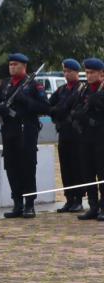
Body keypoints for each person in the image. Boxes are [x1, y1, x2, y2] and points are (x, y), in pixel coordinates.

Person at [0, 53, 49, 219]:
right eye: (10, 64)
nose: (12, 67)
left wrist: (26, 101)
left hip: (26, 131)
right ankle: (17, 203)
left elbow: (45, 107)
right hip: (9, 131)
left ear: (24, 67)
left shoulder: (33, 86)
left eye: (15, 64)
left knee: (27, 167)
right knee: (11, 167)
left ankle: (29, 204)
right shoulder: (5, 84)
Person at [48, 58, 85, 213]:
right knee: (65, 167)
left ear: (76, 72)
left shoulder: (81, 88)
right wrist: (57, 113)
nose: (66, 74)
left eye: (69, 71)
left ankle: (78, 199)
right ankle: (69, 198)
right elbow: (49, 106)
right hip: (63, 132)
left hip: (77, 134)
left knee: (77, 166)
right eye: (64, 71)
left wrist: (60, 110)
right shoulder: (62, 90)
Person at [72, 58, 104, 220]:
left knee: (102, 172)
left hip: (101, 137)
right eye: (87, 72)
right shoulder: (84, 89)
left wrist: (96, 100)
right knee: (88, 172)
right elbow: (76, 106)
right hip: (86, 137)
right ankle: (93, 206)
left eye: (92, 73)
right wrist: (77, 115)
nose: (89, 75)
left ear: (101, 74)